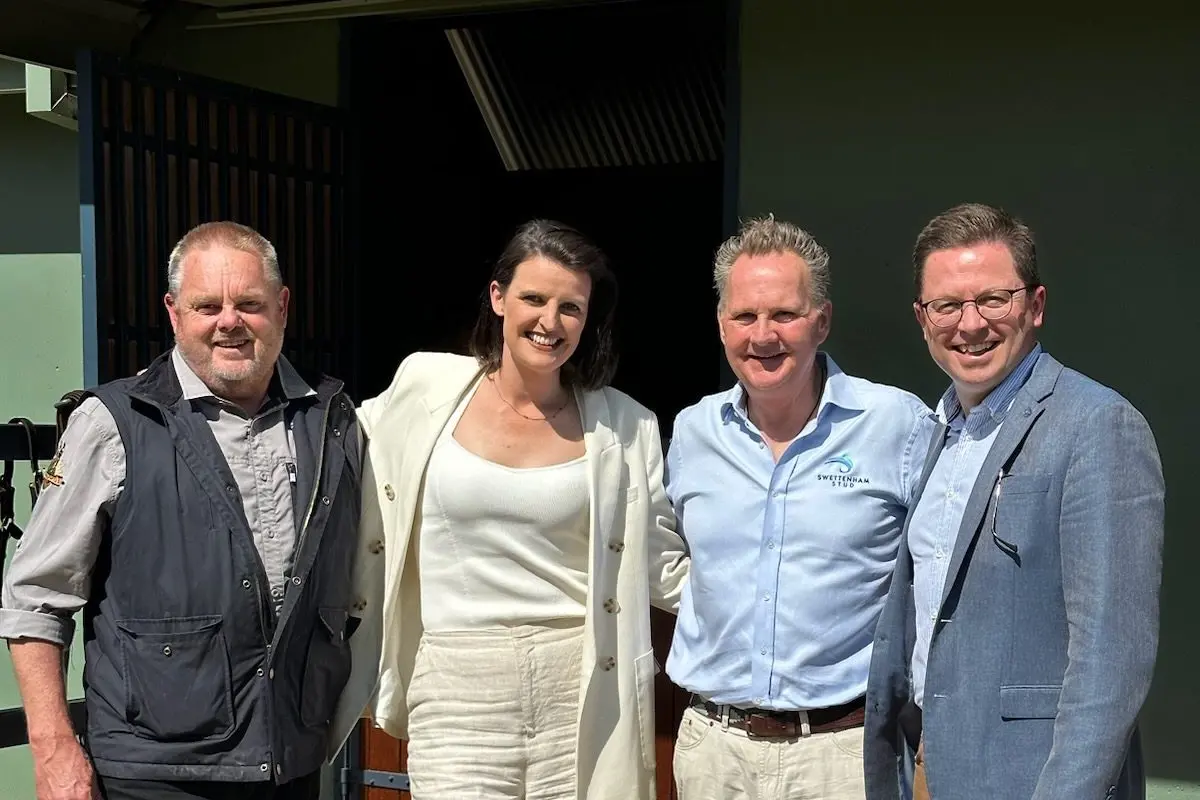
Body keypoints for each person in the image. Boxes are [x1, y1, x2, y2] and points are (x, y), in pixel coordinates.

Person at [1, 221, 365, 800]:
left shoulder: (334, 420)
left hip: (290, 763)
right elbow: (35, 598)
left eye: (249, 303)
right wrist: (53, 748)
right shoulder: (114, 423)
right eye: (207, 305)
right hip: (156, 773)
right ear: (173, 313)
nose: (230, 321)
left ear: (283, 307)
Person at [328, 219, 689, 800]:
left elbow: (661, 566)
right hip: (455, 681)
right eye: (534, 298)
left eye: (571, 307)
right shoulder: (425, 385)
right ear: (498, 298)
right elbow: (331, 452)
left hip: (581, 687)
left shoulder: (626, 424)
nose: (551, 322)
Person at [864, 203, 1165, 800]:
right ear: (923, 319)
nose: (969, 324)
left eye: (992, 300)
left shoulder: (1097, 426)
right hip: (929, 768)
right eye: (947, 305)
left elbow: (1111, 660)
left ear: (1036, 305)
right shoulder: (941, 432)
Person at [664, 215, 936, 799]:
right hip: (714, 751)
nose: (763, 335)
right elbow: (668, 556)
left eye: (784, 314)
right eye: (744, 316)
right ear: (721, 326)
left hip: (843, 753)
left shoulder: (897, 425)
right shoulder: (692, 432)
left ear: (822, 321)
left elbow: (936, 584)